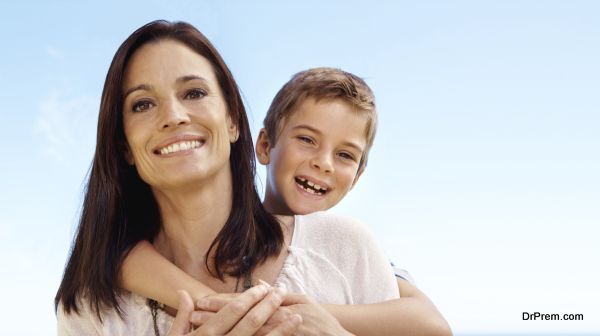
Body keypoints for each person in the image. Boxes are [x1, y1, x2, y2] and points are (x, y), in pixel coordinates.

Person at [54, 20, 407, 336]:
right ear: (124, 146)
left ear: (234, 121)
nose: (174, 116)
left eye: (194, 93)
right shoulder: (92, 309)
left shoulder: (344, 248)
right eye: (143, 104)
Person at [119, 67, 451, 335]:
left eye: (345, 155)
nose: (324, 163)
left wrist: (292, 313)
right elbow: (124, 258)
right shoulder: (224, 225)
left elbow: (431, 325)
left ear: (358, 178)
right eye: (306, 139)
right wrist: (240, 307)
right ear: (264, 146)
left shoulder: (350, 253)